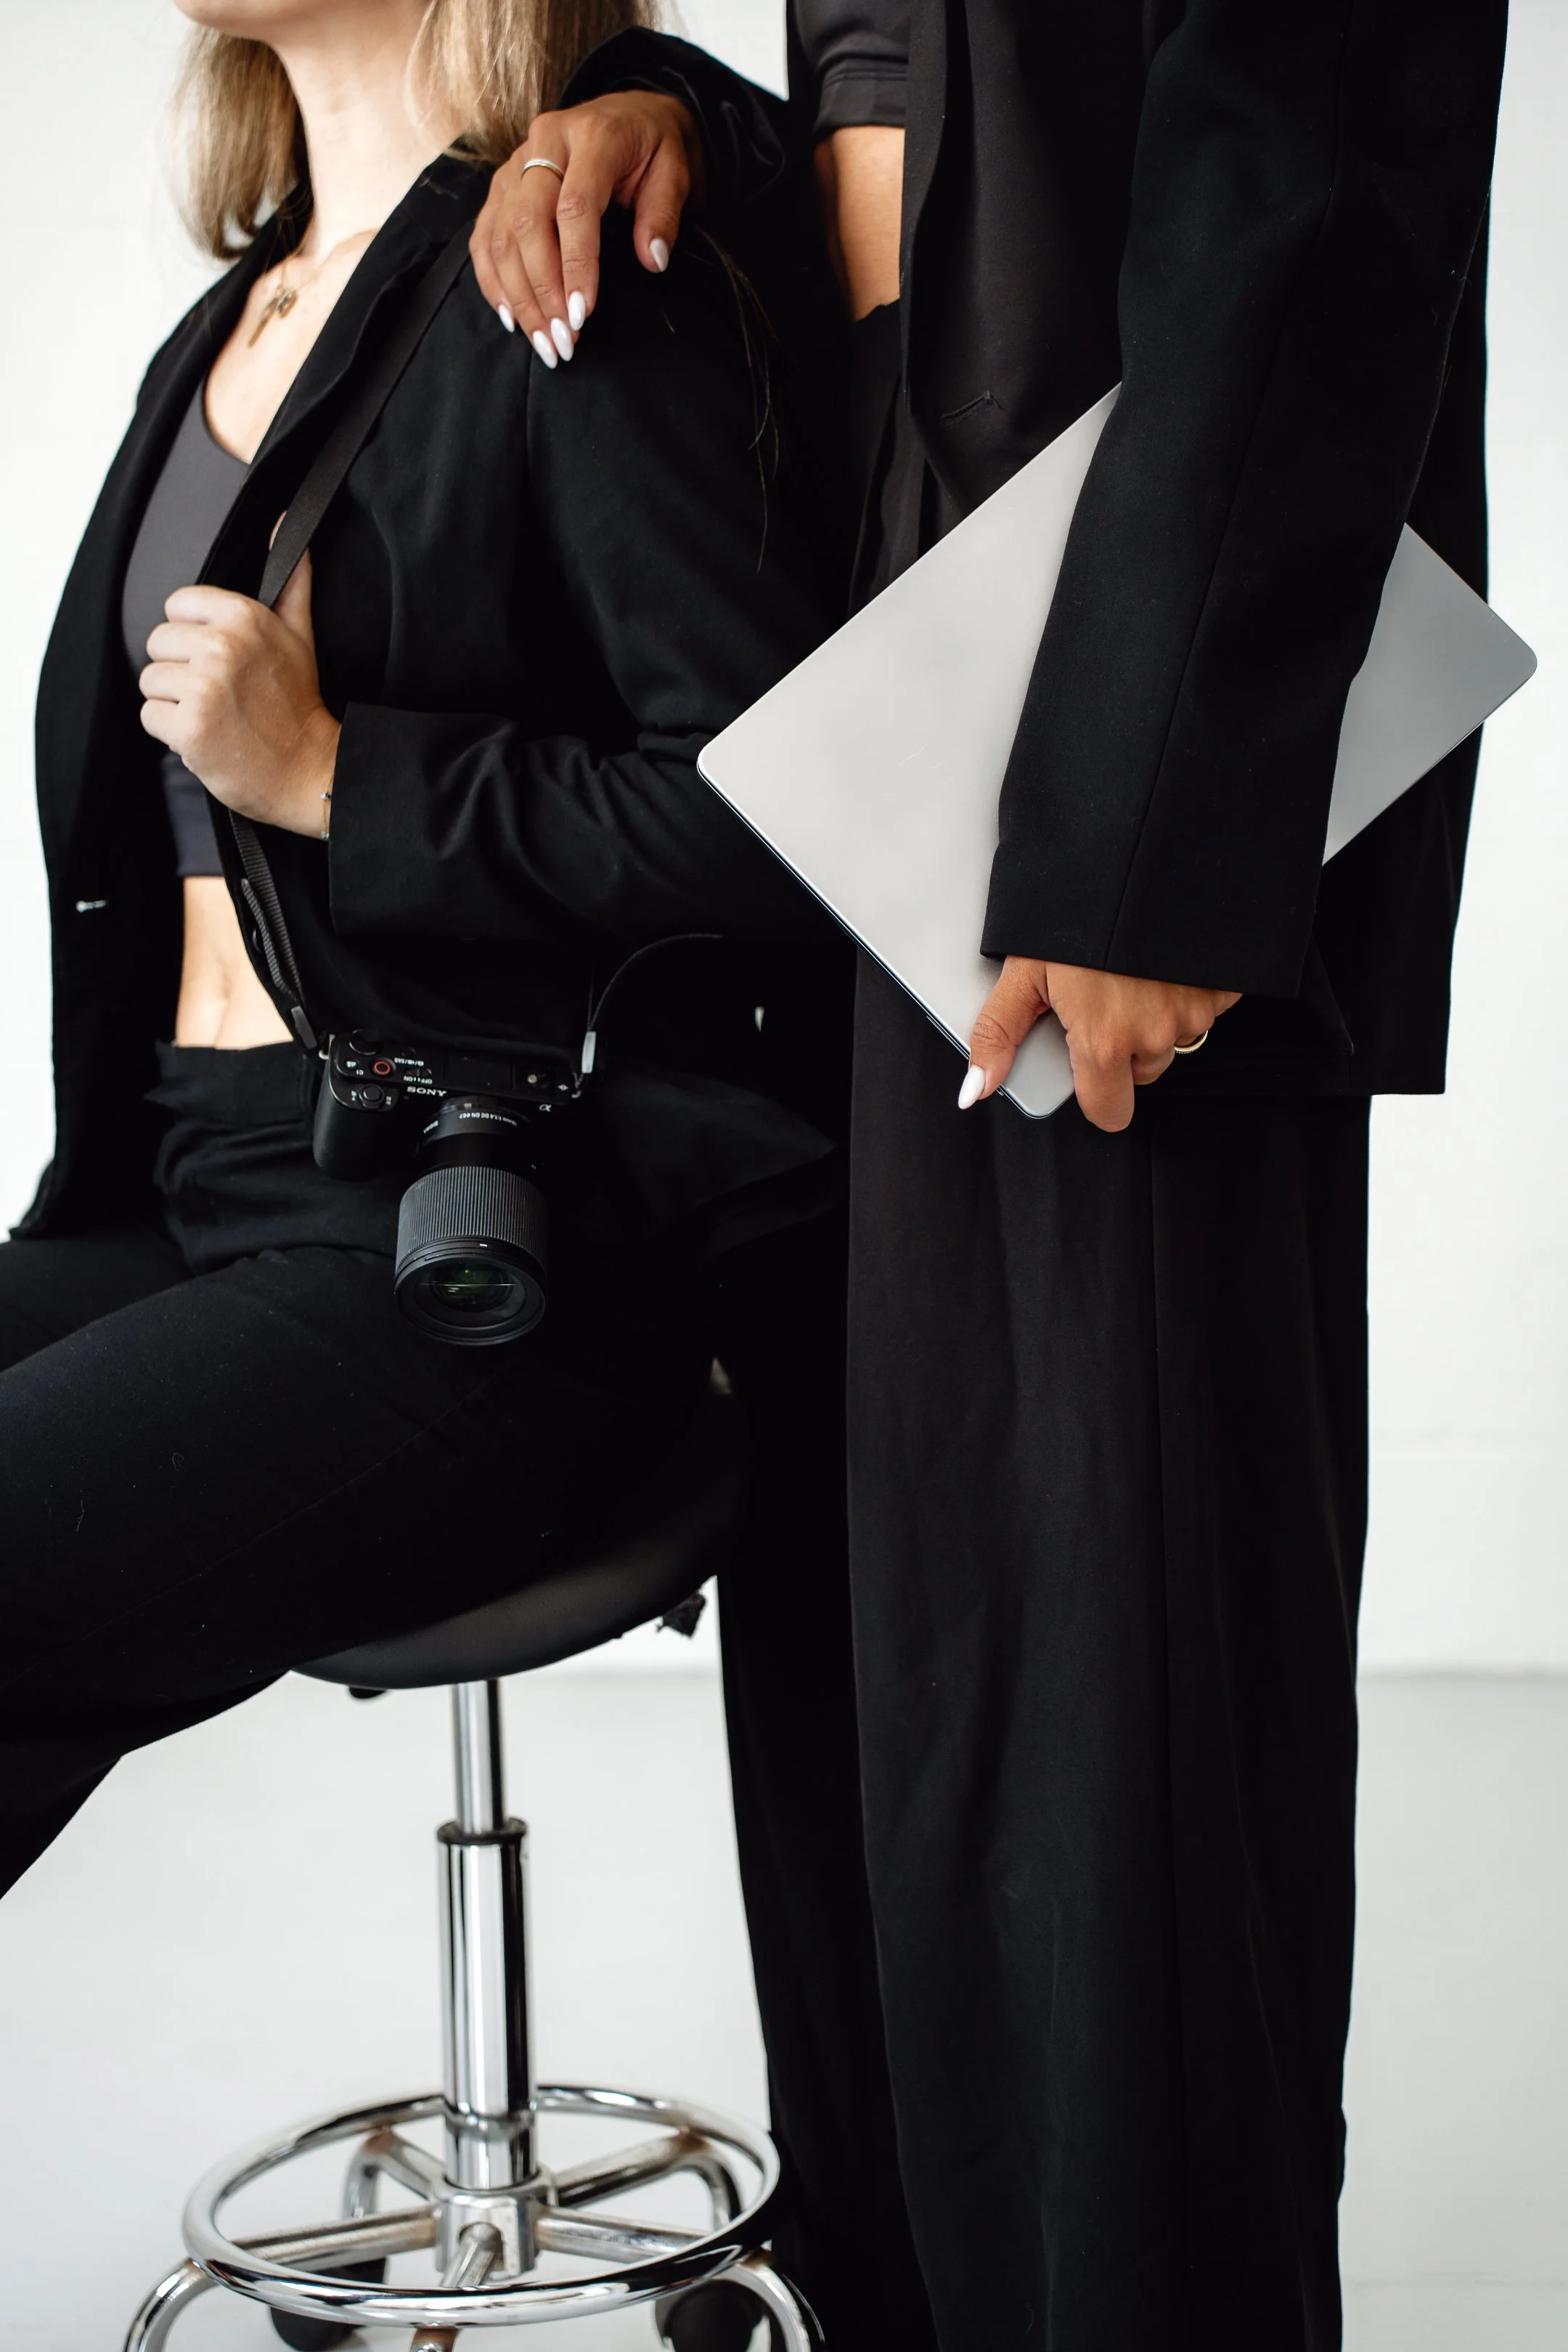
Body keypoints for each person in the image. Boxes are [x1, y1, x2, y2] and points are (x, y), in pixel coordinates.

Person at [470, 4, 1512, 2344]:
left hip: (1089, 763)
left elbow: (1323, 157)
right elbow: (928, 150)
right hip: (862, 727)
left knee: (1109, 1745)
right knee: (868, 1704)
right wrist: (674, 124)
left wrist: (1151, 833)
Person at [0, 0, 926, 2335]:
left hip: (472, 1233)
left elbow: (776, 819)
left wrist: (347, 782)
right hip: (171, 1179)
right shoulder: (238, 306)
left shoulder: (565, 259)